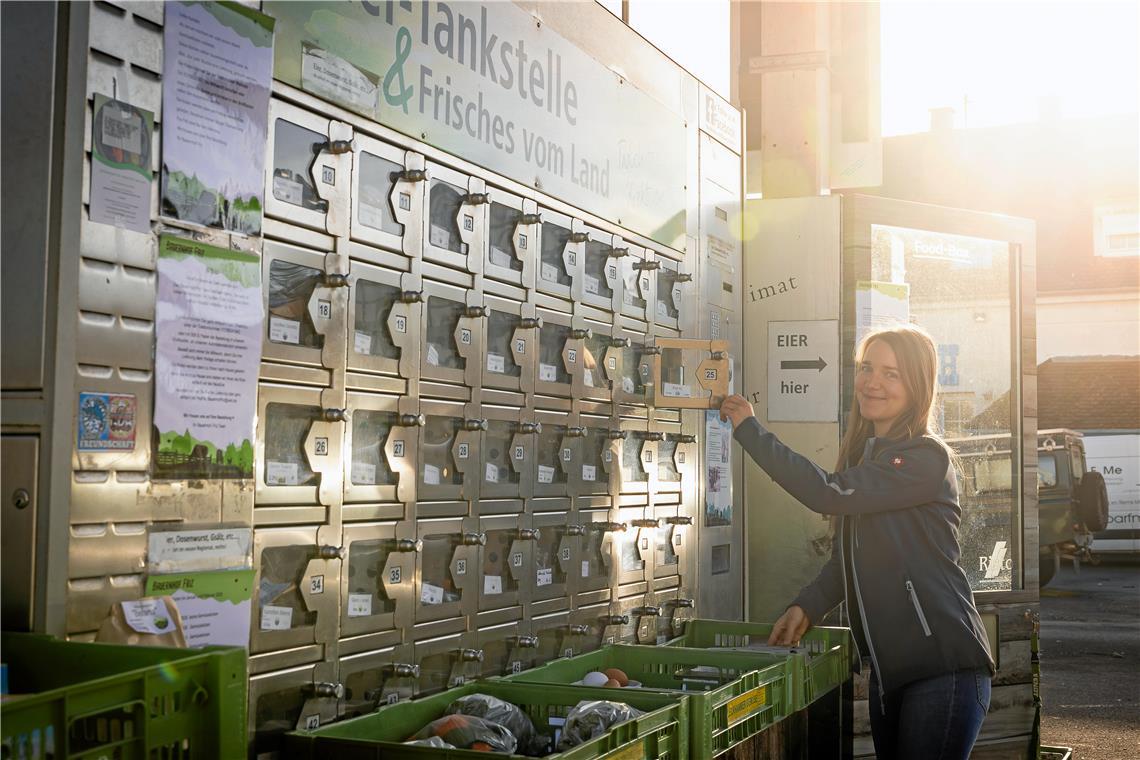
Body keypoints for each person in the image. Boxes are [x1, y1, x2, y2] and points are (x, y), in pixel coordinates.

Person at [719, 325, 995, 760]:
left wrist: (750, 430)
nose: (872, 382)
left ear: (917, 386)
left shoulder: (924, 458)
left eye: (892, 373)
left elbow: (825, 491)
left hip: (944, 671)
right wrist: (807, 606)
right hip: (892, 676)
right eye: (867, 368)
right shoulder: (873, 461)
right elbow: (849, 560)